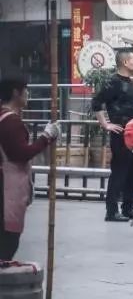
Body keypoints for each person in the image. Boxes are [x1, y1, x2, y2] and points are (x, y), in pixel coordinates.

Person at [0, 78, 59, 260]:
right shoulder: (11, 122)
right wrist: (46, 137)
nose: (28, 94)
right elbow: (21, 153)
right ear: (16, 92)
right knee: (7, 241)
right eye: (26, 90)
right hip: (6, 187)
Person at [91, 50, 133, 222]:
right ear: (126, 63)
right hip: (120, 133)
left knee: (132, 170)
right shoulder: (113, 82)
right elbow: (96, 102)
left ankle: (128, 208)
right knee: (119, 171)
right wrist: (105, 124)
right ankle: (111, 211)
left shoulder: (130, 82)